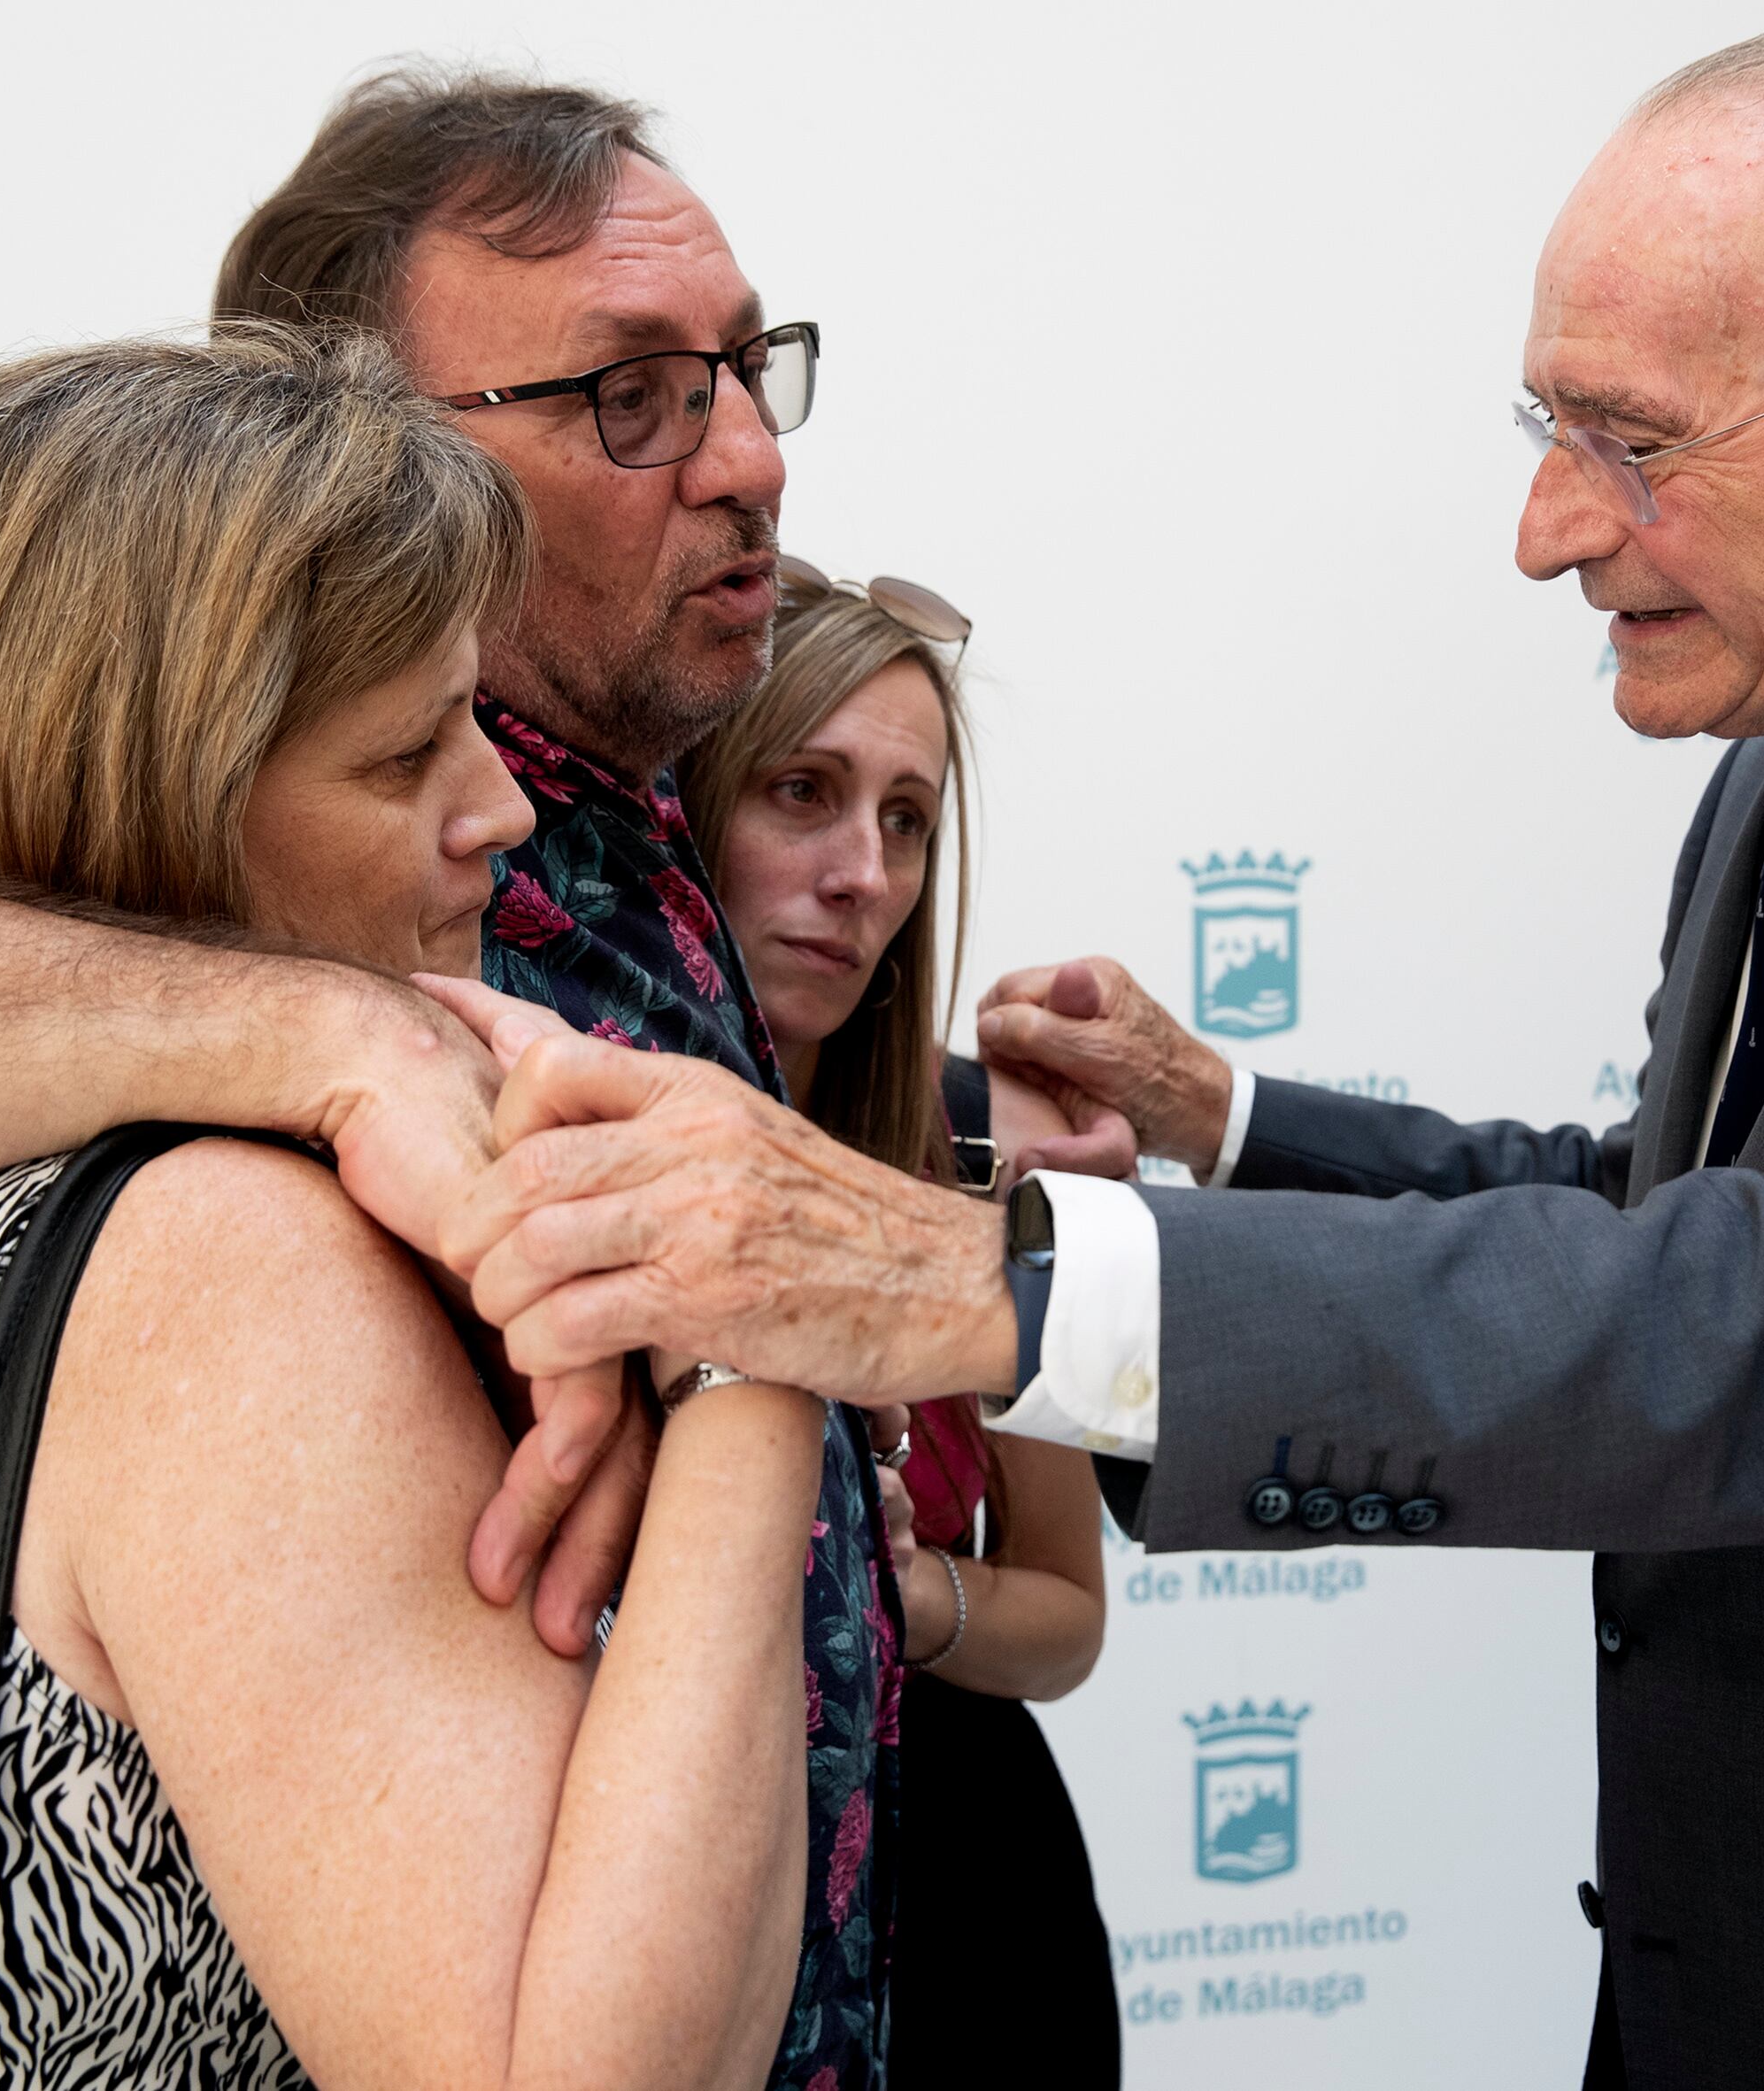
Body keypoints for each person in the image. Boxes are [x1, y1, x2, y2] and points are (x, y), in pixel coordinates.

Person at [432, 26, 1764, 2087]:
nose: (1546, 530)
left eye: (1628, 439)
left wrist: (964, 1278)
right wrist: (1230, 1117)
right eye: (1543, 425)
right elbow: (1672, 1211)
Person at [0, 68, 899, 2087]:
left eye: (748, 368)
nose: (744, 451)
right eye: (626, 393)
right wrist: (737, 1307)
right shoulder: (174, 1196)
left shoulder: (675, 819)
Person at [677, 557, 1121, 2084]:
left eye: (907, 817)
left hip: (976, 1916)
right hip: (677, 1918)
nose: (865, 871)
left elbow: (1066, 1607)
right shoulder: (564, 1166)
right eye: (803, 792)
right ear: (683, 806)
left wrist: (911, 1599)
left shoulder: (977, 1162)